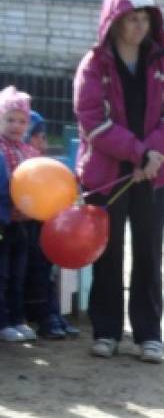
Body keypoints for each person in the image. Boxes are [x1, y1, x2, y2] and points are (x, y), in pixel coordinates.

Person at [74, 0, 164, 363]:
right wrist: (141, 153)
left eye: (145, 20)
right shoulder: (93, 66)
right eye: (132, 20)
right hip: (108, 177)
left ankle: (148, 336)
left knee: (149, 252)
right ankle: (106, 332)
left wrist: (154, 157)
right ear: (114, 22)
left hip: (155, 177)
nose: (140, 27)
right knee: (107, 254)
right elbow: (93, 122)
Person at [23, 111, 80, 340]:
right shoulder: (20, 163)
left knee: (48, 269)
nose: (42, 142)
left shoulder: (44, 166)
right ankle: (42, 316)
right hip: (22, 227)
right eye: (36, 136)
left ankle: (53, 312)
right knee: (35, 269)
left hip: (42, 226)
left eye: (44, 137)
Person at [0, 86, 37, 343]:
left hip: (22, 223)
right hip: (2, 222)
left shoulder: (29, 152)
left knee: (18, 275)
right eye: (9, 119)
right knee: (1, 275)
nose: (16, 125)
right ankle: (3, 322)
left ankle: (17, 318)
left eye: (21, 121)